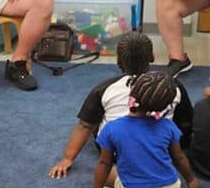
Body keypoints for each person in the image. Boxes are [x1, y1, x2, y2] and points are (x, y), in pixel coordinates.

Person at [49, 32, 193, 179]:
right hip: (160, 150)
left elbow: (84, 126)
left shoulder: (104, 89)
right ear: (152, 57)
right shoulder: (173, 86)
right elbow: (186, 123)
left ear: (119, 61)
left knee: (95, 121)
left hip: (117, 154)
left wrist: (68, 158)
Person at [84, 72, 199, 188]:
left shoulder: (112, 128)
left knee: (110, 172)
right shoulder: (168, 126)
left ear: (131, 92)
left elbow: (104, 163)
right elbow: (179, 157)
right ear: (166, 105)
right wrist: (191, 180)